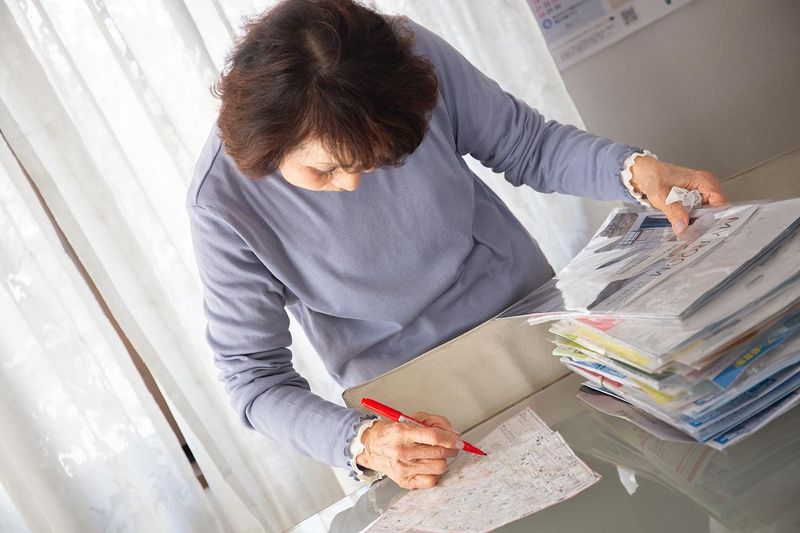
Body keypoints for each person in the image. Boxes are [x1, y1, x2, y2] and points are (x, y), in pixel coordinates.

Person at [187, 0, 725, 489]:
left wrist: (632, 172)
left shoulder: (402, 64)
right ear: (270, 143)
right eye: (326, 168)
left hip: (534, 333)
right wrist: (366, 441)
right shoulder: (220, 203)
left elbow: (528, 145)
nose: (352, 184)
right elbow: (254, 380)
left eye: (375, 160)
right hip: (418, 418)